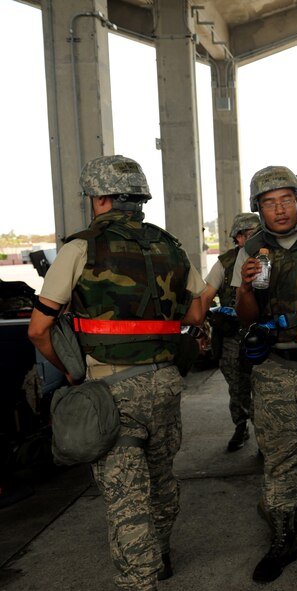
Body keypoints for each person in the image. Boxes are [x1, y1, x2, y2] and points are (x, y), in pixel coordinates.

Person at [27, 155, 206, 591]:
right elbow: (198, 310)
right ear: (140, 198)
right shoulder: (171, 246)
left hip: (110, 388)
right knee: (161, 480)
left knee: (128, 499)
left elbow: (38, 330)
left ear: (100, 198)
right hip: (164, 383)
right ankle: (160, 554)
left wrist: (71, 373)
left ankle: (139, 582)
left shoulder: (79, 247)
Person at [232, 165, 297, 583]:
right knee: (278, 458)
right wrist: (243, 289)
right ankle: (282, 536)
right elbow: (247, 317)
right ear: (258, 209)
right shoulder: (252, 250)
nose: (278, 210)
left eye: (285, 200)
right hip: (273, 368)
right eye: (268, 203)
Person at [200, 212, 260, 452]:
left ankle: (266, 434)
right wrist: (204, 324)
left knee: (265, 389)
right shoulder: (224, 263)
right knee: (237, 387)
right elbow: (205, 296)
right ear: (239, 237)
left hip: (263, 336)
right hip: (233, 338)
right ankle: (241, 426)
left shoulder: (270, 259)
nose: (257, 239)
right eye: (251, 234)